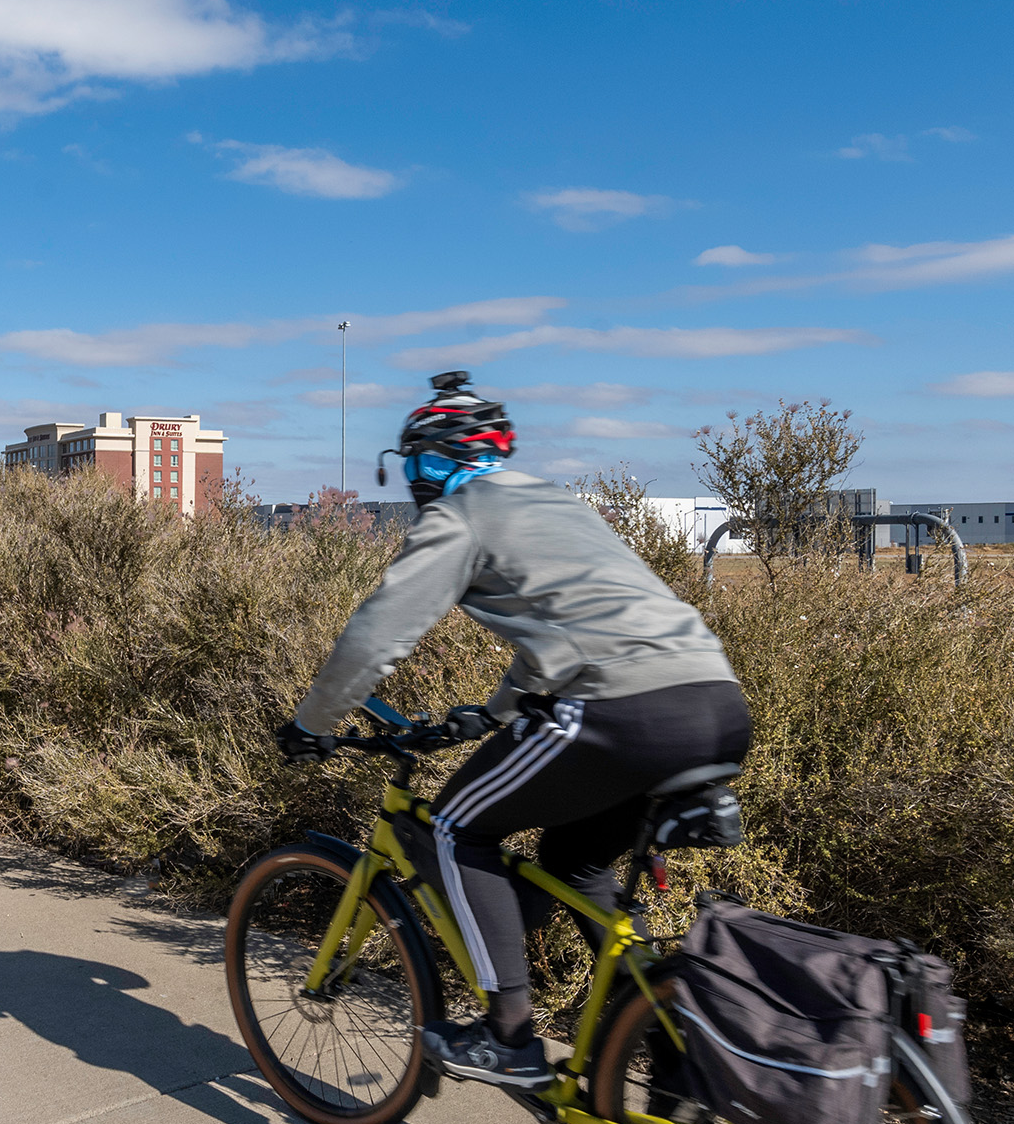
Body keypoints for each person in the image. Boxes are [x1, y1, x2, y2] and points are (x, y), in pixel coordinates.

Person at [274, 372, 750, 1088]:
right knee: (579, 866)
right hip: (715, 704)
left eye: (419, 465)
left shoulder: (459, 515)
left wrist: (314, 722)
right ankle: (663, 1049)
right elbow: (566, 625)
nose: (418, 481)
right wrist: (495, 713)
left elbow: (377, 635)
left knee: (449, 828)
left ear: (435, 462)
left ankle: (510, 1036)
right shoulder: (560, 506)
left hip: (622, 709)